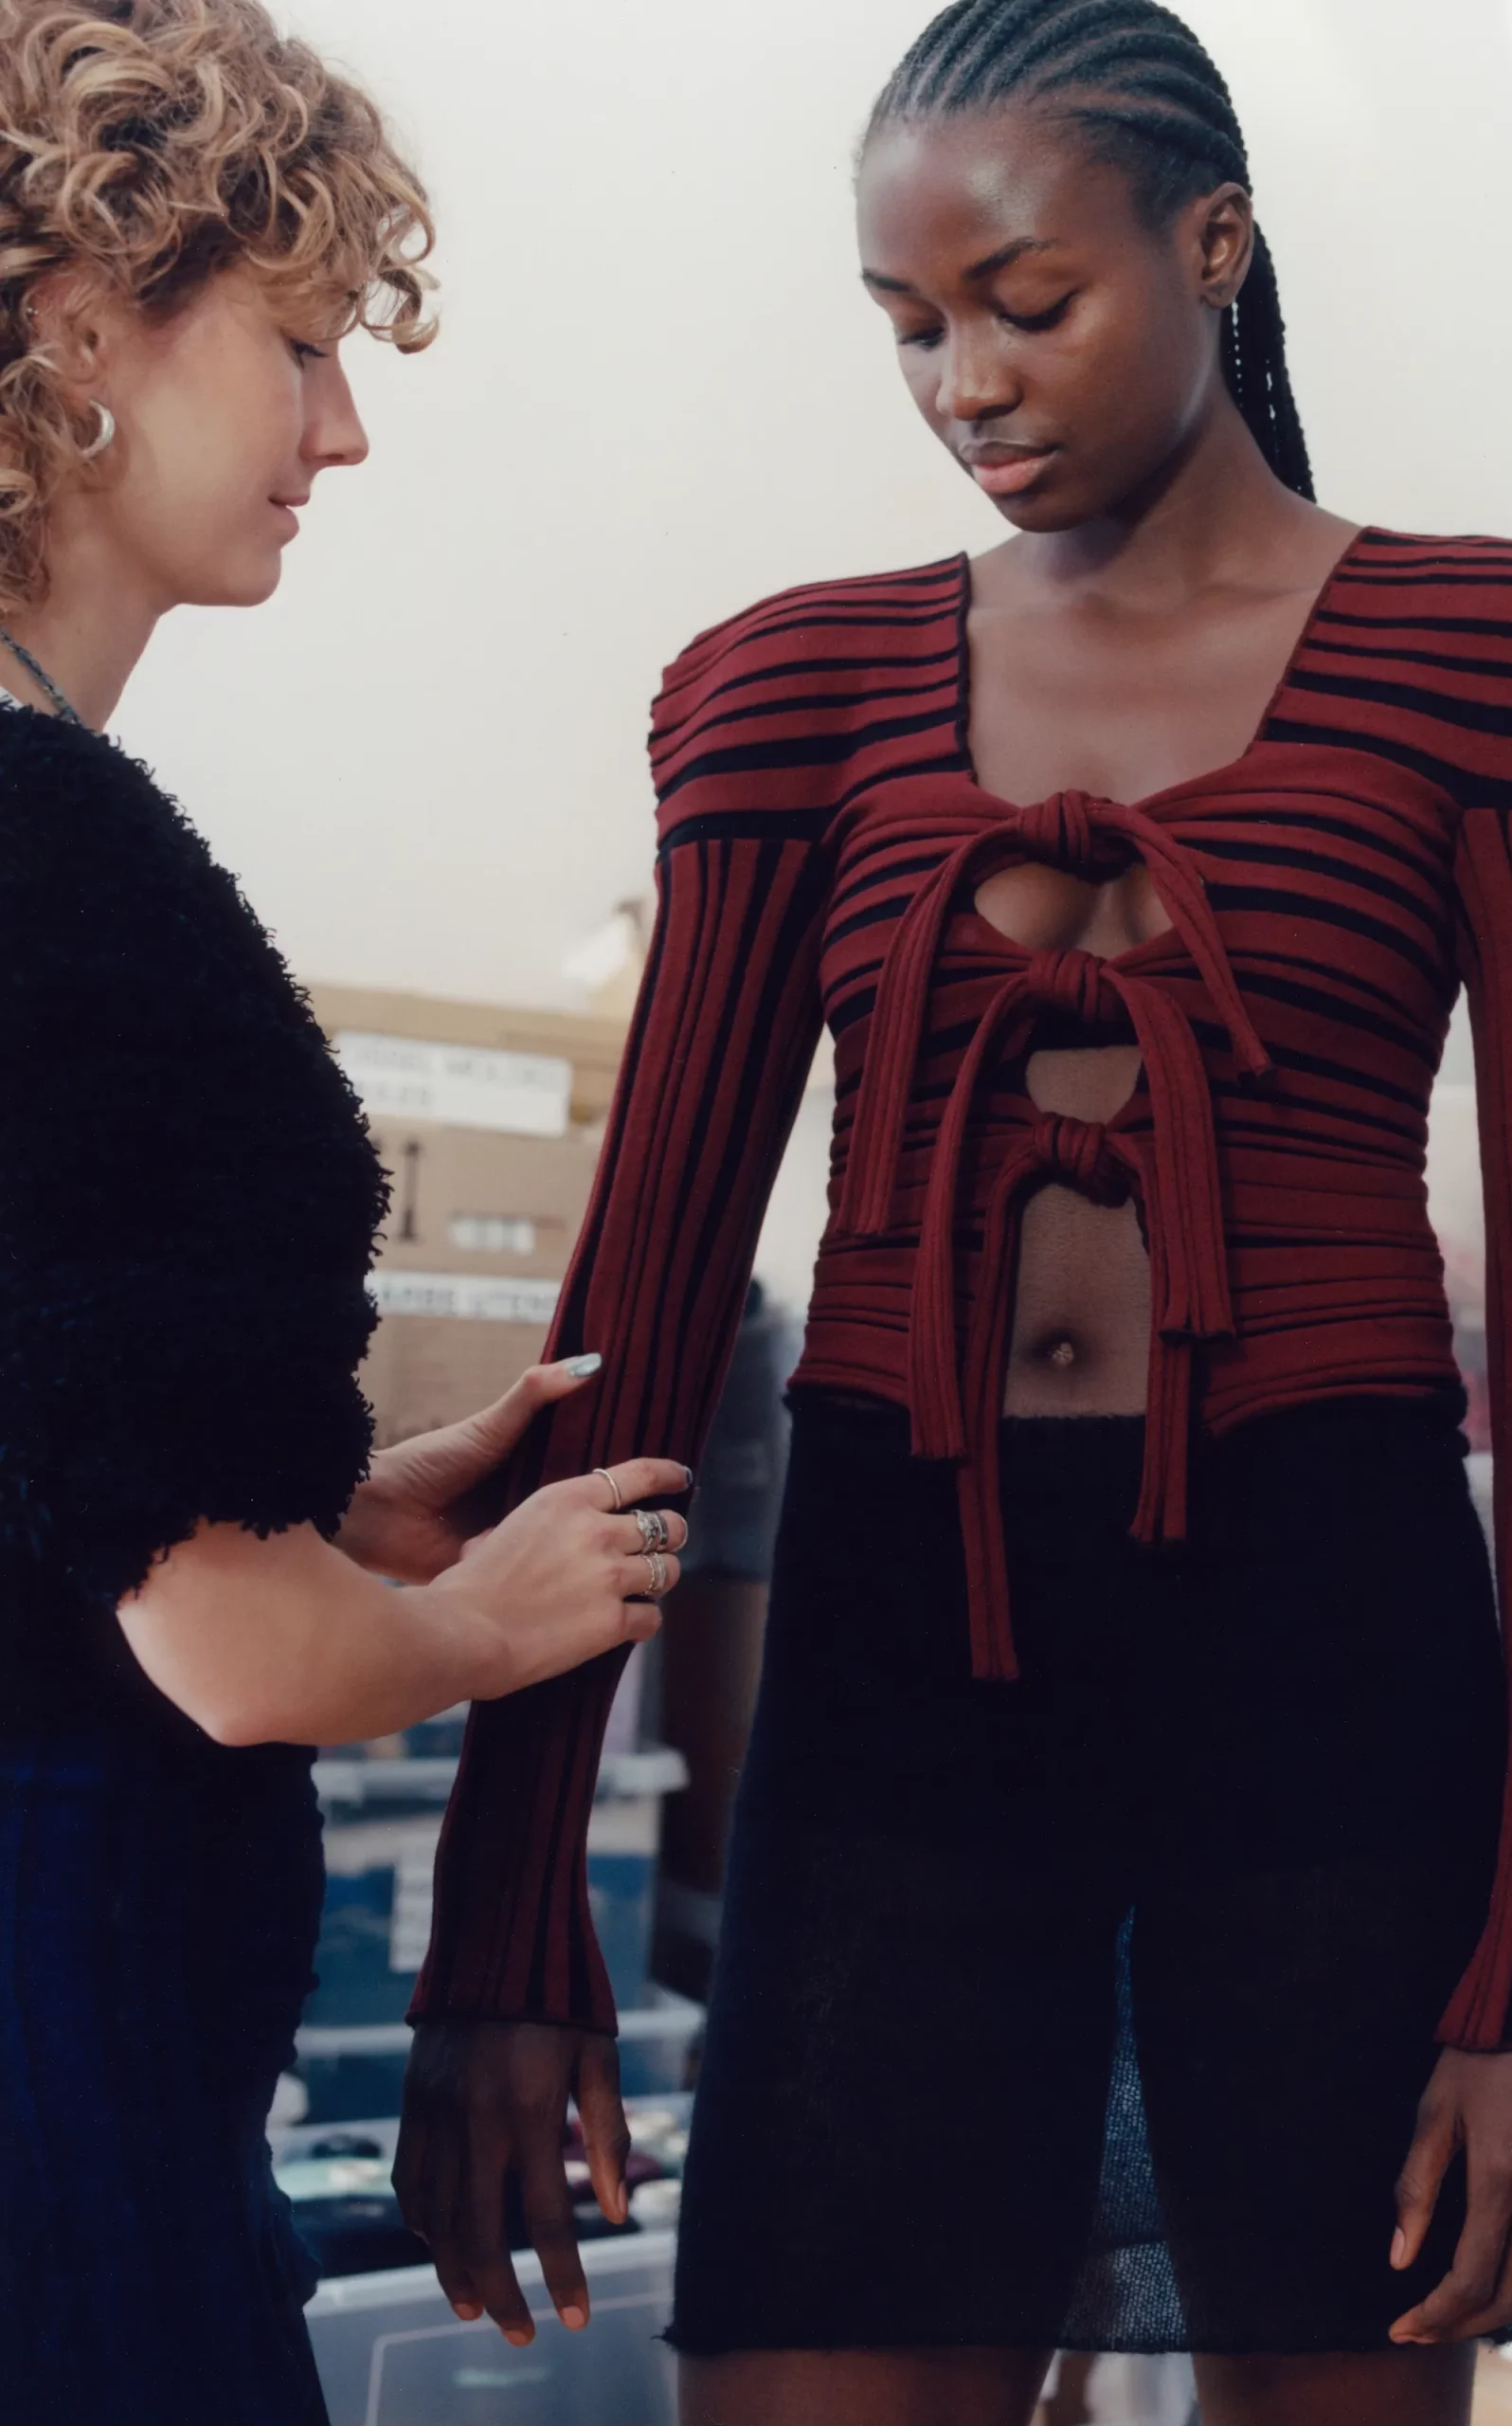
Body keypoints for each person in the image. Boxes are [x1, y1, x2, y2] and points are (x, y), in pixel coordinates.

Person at [398, 3, 1512, 2420]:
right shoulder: (793, 692)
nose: (962, 381)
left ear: (1213, 244)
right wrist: (504, 1922)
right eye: (908, 326)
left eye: (1024, 299)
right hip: (902, 1687)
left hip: (1331, 1672)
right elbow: (637, 1315)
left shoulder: (1492, 660)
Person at [0, 5, 693, 2418]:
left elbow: (62, 1455)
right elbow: (222, 1657)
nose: (343, 427)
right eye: (295, 347)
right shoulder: (59, 858)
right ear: (84, 328)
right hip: (59, 2081)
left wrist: (344, 1516)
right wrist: (490, 1611)